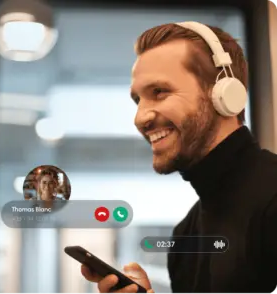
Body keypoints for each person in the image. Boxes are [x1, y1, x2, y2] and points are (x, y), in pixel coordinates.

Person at [81, 22, 277, 294]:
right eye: (138, 100)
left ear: (224, 94)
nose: (140, 118)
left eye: (159, 92)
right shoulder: (186, 235)